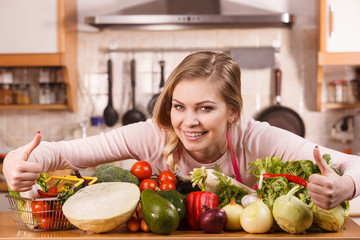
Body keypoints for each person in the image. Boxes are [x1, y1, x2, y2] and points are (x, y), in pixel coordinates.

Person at [3, 51, 360, 210]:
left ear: (232, 112)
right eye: (179, 106)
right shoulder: (154, 134)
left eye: (205, 108)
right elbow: (63, 153)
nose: (189, 121)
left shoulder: (258, 138)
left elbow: (353, 164)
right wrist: (17, 162)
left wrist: (346, 186)